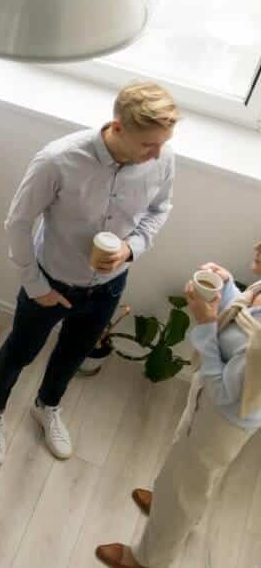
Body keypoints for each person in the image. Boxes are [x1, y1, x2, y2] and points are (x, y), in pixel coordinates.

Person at [0, 82, 179, 467]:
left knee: (72, 355)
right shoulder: (58, 160)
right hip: (49, 283)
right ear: (118, 127)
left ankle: (47, 405)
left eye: (163, 143)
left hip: (107, 287)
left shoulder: (163, 157)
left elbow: (160, 209)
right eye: (148, 145)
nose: (158, 154)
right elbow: (17, 224)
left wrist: (130, 249)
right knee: (19, 352)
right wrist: (35, 286)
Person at [95, 242, 261, 568]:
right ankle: (170, 505)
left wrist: (204, 323)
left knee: (188, 482)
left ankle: (147, 559)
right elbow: (241, 327)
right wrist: (226, 290)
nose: (257, 244)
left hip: (224, 416)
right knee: (187, 467)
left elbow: (229, 391)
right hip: (209, 397)